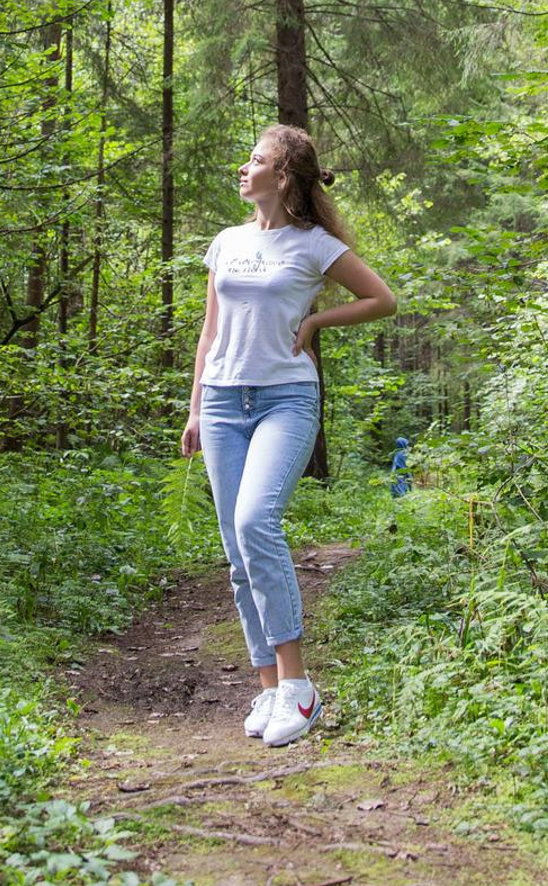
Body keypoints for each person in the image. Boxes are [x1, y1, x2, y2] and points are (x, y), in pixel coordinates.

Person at [181, 124, 398, 749]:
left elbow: (382, 299)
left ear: (281, 176)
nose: (242, 167)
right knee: (236, 548)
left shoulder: (314, 245)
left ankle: (299, 689)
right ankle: (269, 685)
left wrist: (317, 322)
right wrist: (194, 409)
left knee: (256, 523)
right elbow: (209, 333)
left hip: (285, 399)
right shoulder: (227, 242)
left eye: (254, 159)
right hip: (222, 401)